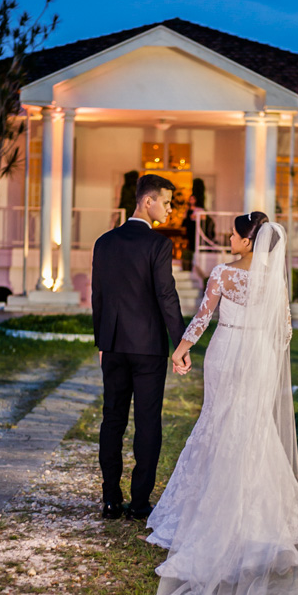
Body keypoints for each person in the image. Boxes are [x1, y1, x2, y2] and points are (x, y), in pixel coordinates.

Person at [146, 212, 298, 595]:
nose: (230, 238)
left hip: (225, 351)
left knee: (218, 423)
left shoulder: (223, 274)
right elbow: (284, 334)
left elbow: (202, 319)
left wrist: (180, 350)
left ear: (247, 240)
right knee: (253, 427)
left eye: (235, 234)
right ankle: (260, 519)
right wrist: (261, 352)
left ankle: (210, 514)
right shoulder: (274, 280)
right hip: (259, 357)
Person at [91, 174, 191, 521]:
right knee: (147, 422)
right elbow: (166, 296)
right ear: (148, 201)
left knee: (112, 420)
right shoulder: (158, 245)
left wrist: (101, 342)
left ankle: (109, 500)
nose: (170, 209)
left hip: (113, 346)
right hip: (148, 348)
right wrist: (180, 343)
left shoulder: (104, 242)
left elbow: (98, 297)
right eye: (166, 202)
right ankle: (138, 503)